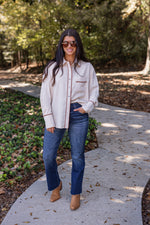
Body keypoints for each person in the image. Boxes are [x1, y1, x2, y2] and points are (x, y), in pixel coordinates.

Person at [40, 28, 99, 210]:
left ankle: (75, 193)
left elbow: (94, 91)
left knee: (77, 157)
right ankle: (55, 185)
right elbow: (45, 95)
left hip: (78, 115)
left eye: (73, 42)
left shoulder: (87, 67)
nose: (69, 46)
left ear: (77, 44)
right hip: (56, 114)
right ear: (61, 45)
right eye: (66, 43)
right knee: (48, 155)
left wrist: (86, 107)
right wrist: (48, 119)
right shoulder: (52, 68)